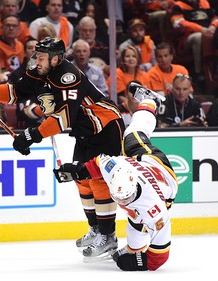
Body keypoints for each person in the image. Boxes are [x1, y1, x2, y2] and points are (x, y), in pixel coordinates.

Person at [0, 37, 126, 259]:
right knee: (81, 179)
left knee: (97, 178)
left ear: (55, 59)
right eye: (36, 55)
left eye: (40, 56)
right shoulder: (39, 70)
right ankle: (96, 230)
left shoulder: (69, 76)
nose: (36, 60)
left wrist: (31, 135)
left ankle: (108, 236)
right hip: (86, 129)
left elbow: (64, 118)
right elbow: (16, 91)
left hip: (105, 126)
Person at [52, 84, 177, 270]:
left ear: (133, 189)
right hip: (148, 162)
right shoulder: (117, 166)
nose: (122, 201)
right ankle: (151, 100)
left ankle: (130, 247)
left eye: (125, 198)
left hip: (163, 178)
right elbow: (96, 164)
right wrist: (76, 171)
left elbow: (160, 256)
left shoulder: (154, 211)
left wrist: (139, 263)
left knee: (136, 239)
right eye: (118, 197)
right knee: (132, 134)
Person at [170, 0, 218, 82]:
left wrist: (213, 26)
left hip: (208, 32)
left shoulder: (204, 3)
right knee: (199, 37)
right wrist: (201, 29)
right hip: (187, 38)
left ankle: (216, 68)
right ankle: (198, 72)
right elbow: (177, 23)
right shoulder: (178, 6)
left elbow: (215, 18)